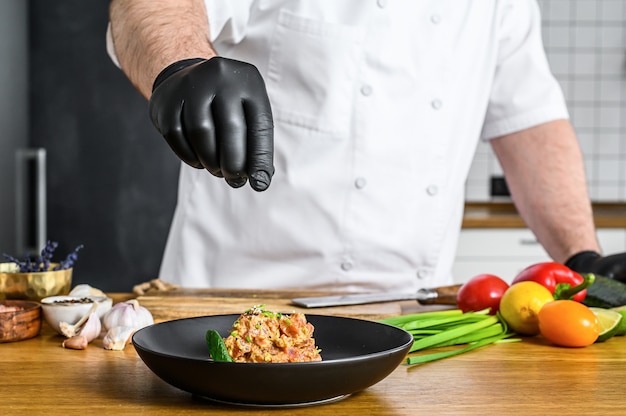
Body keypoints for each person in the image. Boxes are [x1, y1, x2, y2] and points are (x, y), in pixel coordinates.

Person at [107, 0, 626, 292]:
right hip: (234, 300)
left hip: (414, 317)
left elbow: (530, 124)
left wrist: (581, 254)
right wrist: (181, 66)